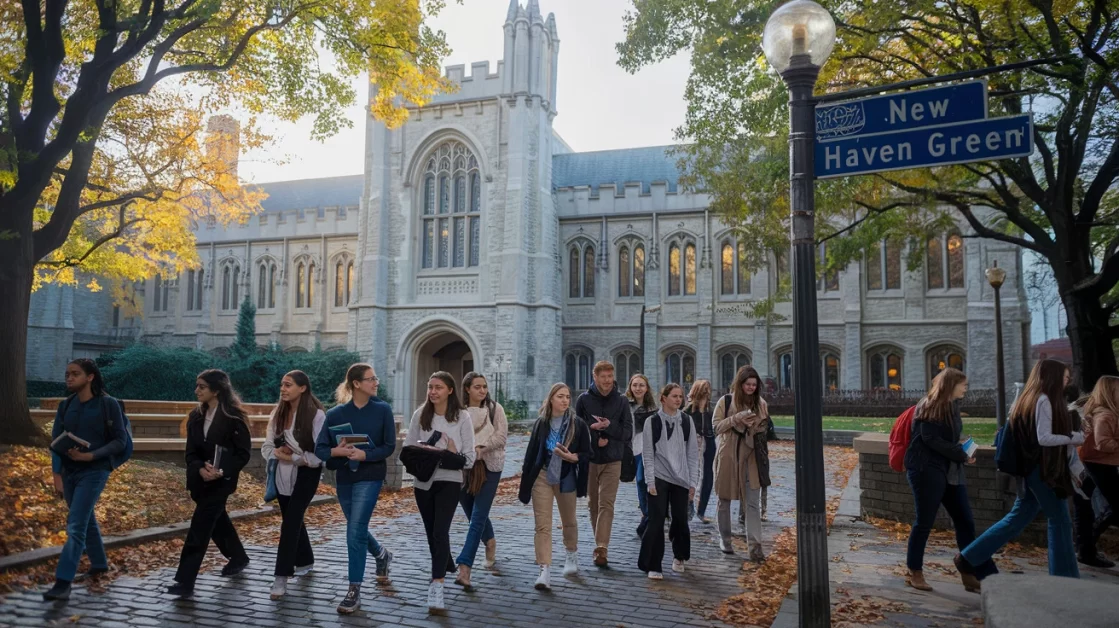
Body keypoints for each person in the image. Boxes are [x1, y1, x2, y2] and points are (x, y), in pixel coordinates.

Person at [955, 359, 1082, 583]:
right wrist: (1075, 437)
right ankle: (1065, 579)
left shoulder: (1029, 399)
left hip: (1030, 469)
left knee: (1018, 518)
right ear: (1052, 378)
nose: (1067, 381)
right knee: (1060, 519)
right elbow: (1044, 438)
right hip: (1041, 470)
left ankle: (969, 557)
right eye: (1063, 377)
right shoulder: (1043, 400)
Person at [43, 359, 129, 602]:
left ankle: (62, 582)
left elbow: (120, 441)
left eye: (75, 374)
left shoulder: (108, 404)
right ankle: (99, 563)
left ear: (90, 377)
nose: (69, 378)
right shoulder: (65, 405)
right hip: (70, 472)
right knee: (85, 517)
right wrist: (57, 475)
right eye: (67, 374)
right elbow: (56, 444)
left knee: (76, 525)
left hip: (95, 471)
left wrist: (91, 455)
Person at [902, 368, 994, 592]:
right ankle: (915, 572)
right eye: (963, 384)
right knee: (924, 522)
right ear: (950, 385)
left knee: (965, 521)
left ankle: (970, 572)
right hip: (927, 470)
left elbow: (943, 438)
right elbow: (930, 438)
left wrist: (962, 445)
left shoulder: (952, 406)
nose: (966, 388)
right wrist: (960, 453)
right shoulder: (931, 404)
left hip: (950, 471)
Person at [315, 363, 397, 614]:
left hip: (370, 476)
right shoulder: (336, 414)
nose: (376, 382)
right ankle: (381, 554)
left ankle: (353, 590)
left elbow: (389, 446)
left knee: (355, 531)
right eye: (371, 379)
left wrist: (365, 454)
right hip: (345, 479)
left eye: (376, 379)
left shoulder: (383, 410)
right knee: (356, 528)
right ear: (357, 384)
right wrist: (336, 451)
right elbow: (320, 449)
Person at [168, 369, 252, 599]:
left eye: (201, 387)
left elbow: (243, 454)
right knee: (218, 522)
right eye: (197, 386)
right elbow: (190, 453)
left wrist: (220, 471)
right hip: (199, 481)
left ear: (216, 390)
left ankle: (185, 581)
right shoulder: (195, 417)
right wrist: (199, 468)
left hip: (221, 483)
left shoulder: (234, 418)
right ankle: (239, 557)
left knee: (199, 529)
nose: (197, 391)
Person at [406, 371, 475, 613]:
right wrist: (426, 453)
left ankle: (437, 585)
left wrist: (449, 455)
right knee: (431, 532)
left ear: (450, 390)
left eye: (438, 387)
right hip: (422, 483)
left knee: (439, 531)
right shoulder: (420, 415)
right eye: (430, 386)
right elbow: (407, 449)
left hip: (449, 481)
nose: (433, 391)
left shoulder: (462, 417)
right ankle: (444, 562)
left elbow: (469, 459)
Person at [518, 383, 591, 590]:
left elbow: (587, 454)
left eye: (567, 396)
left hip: (566, 476)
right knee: (542, 524)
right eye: (560, 396)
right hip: (542, 475)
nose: (565, 400)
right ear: (551, 399)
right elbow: (531, 454)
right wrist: (525, 484)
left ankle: (571, 554)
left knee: (569, 520)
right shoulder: (541, 423)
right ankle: (544, 570)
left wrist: (572, 456)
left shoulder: (578, 424)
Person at [262, 370, 327, 600]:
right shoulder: (277, 414)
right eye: (282, 384)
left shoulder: (316, 415)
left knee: (290, 523)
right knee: (293, 519)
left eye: (288, 385)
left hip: (306, 475)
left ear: (303, 388)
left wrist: (294, 457)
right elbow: (267, 447)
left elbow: (320, 455)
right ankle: (306, 560)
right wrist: (277, 452)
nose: (283, 389)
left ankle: (281, 576)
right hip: (282, 475)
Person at [574, 360, 633, 568]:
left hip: (613, 459)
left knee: (606, 504)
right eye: (603, 377)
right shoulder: (583, 400)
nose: (608, 381)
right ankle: (599, 542)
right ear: (595, 377)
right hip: (590, 459)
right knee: (593, 504)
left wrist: (609, 427)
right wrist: (593, 433)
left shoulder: (622, 401)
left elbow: (627, 433)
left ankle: (601, 547)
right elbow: (576, 431)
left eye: (610, 376)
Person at [638, 384, 700, 579]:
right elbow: (648, 454)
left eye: (680, 396)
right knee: (656, 521)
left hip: (681, 477)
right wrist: (650, 482)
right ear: (663, 398)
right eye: (674, 396)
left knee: (681, 519)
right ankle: (653, 564)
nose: (678, 400)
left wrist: (692, 482)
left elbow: (693, 454)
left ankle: (679, 556)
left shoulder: (687, 421)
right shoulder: (652, 422)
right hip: (659, 475)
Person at [454, 372, 508, 589]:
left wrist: (480, 448)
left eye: (484, 386)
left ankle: (465, 567)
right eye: (477, 387)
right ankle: (491, 540)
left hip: (490, 467)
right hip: (463, 469)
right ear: (467, 389)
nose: (482, 390)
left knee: (477, 517)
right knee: (471, 513)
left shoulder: (495, 409)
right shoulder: (457, 412)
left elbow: (501, 436)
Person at [712, 365, 770, 562]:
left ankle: (755, 547)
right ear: (740, 383)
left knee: (752, 502)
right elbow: (716, 427)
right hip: (728, 455)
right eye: (748, 384)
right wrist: (736, 419)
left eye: (754, 385)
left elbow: (764, 430)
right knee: (724, 499)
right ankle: (725, 540)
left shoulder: (761, 403)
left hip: (751, 457)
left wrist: (755, 426)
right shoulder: (725, 401)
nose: (751, 388)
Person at [1077, 375, 1119, 567]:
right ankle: (1086, 549)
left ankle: (1086, 549)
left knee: (1088, 508)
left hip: (1096, 463)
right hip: (1099, 464)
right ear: (1109, 393)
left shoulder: (1105, 412)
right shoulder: (1105, 415)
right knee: (1112, 507)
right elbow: (1102, 443)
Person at [627, 374, 658, 538]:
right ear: (631, 387)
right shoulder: (625, 405)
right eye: (635, 385)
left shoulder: (653, 409)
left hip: (646, 450)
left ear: (646, 388)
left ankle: (647, 515)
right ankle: (647, 516)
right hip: (630, 449)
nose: (638, 388)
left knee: (642, 480)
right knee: (638, 484)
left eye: (641, 385)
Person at [684, 380, 715, 523]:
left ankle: (701, 511)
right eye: (704, 389)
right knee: (692, 476)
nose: (707, 393)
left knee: (708, 478)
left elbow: (716, 425)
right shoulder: (688, 411)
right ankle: (689, 503)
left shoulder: (711, 410)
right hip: (693, 445)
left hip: (708, 444)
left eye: (708, 390)